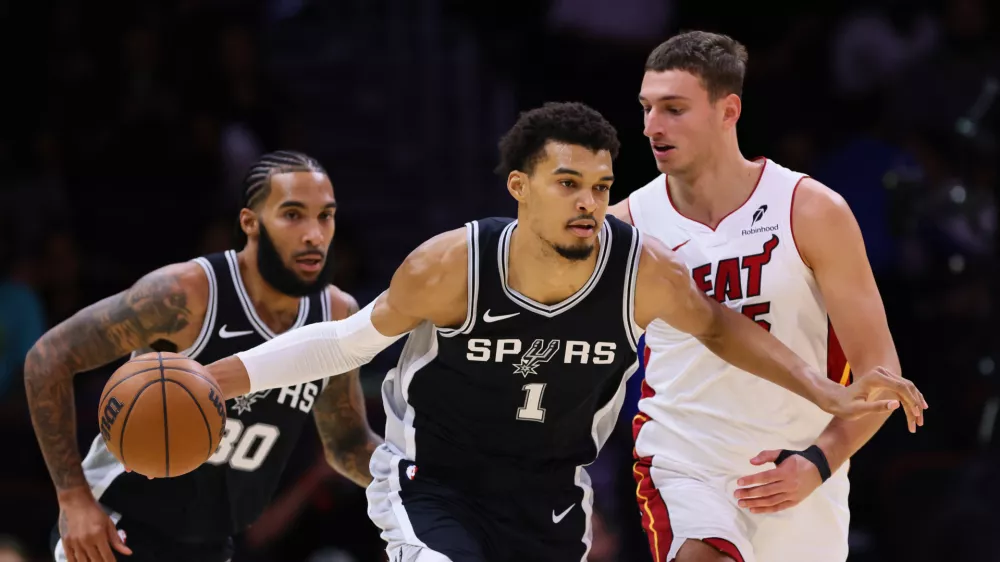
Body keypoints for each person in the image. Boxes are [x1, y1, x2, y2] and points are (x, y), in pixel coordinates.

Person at [201, 102, 926, 562]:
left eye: (602, 187)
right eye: (567, 183)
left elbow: (722, 328)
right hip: (437, 485)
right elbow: (348, 340)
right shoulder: (454, 264)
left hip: (547, 498)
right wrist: (215, 378)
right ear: (519, 187)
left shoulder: (641, 272)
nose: (589, 202)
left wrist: (823, 393)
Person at [607, 31, 925, 562]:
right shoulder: (628, 226)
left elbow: (879, 373)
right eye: (646, 109)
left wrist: (817, 463)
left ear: (728, 110)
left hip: (798, 468)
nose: (652, 127)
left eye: (674, 109)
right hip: (686, 463)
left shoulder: (810, 209)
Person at [24, 150, 382, 562]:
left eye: (325, 216)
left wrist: (421, 484)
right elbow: (48, 358)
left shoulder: (336, 314)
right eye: (293, 215)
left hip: (214, 540)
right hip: (117, 523)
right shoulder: (186, 293)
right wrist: (72, 498)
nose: (314, 234)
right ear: (250, 223)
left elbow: (347, 443)